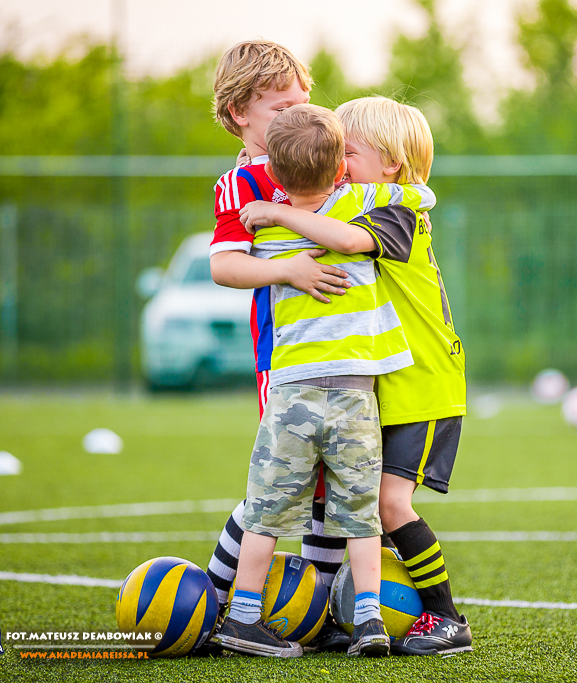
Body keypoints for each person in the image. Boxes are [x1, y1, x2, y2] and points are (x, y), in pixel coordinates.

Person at [205, 42, 434, 655]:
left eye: (303, 102)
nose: (301, 114)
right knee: (285, 484)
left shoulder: (327, 155)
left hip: (352, 360)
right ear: (238, 115)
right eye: (281, 108)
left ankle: (320, 610)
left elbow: (378, 209)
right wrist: (288, 272)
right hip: (288, 358)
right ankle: (214, 598)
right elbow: (225, 267)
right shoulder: (243, 183)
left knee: (337, 488)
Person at [235, 96, 472, 656]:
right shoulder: (356, 201)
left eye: (349, 152)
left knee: (389, 504)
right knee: (355, 496)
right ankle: (340, 612)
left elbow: (341, 240)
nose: (338, 163)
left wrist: (275, 212)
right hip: (384, 386)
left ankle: (446, 616)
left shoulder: (398, 210)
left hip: (424, 386)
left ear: (390, 162)